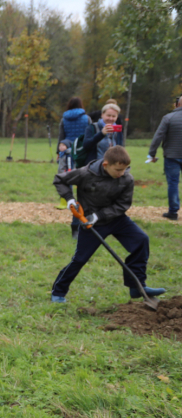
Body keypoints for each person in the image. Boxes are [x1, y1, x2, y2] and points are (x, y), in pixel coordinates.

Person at [50, 146, 166, 303]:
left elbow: (123, 204)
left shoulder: (127, 179)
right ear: (106, 165)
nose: (122, 173)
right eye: (118, 170)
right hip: (90, 224)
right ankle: (58, 291)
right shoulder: (86, 173)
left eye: (124, 169)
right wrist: (70, 199)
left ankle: (137, 286)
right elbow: (60, 179)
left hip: (116, 219)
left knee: (141, 240)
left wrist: (99, 215)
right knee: (80, 259)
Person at [146, 95, 182, 220]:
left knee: (173, 183)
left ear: (177, 104)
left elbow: (158, 137)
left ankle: (173, 212)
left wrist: (152, 153)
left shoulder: (168, 118)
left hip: (172, 156)